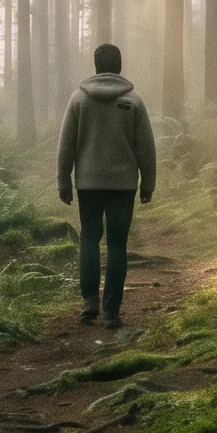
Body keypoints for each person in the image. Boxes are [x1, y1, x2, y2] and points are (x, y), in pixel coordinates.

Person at [54, 43, 157, 329]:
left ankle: (89, 302)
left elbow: (66, 145)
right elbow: (146, 147)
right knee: (117, 244)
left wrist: (64, 181)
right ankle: (111, 310)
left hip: (87, 185)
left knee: (89, 238)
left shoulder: (78, 100)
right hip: (123, 186)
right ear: (119, 65)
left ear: (96, 66)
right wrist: (148, 182)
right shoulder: (133, 101)